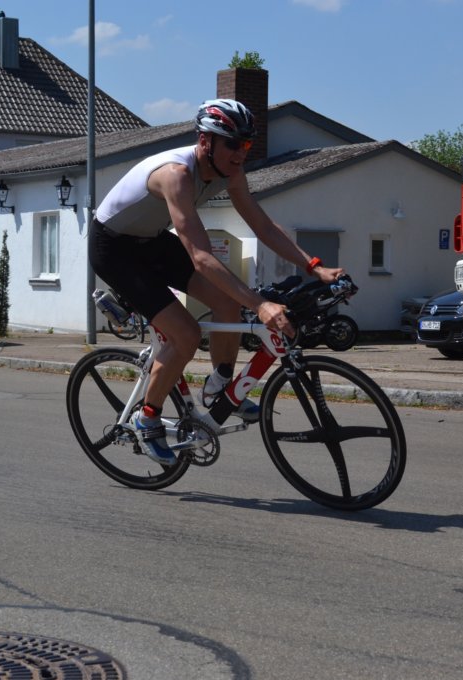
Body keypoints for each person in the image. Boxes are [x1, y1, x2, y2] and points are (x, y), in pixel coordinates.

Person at [90, 99, 344, 465]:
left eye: (246, 145)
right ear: (205, 141)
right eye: (233, 144)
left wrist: (313, 266)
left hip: (152, 240)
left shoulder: (230, 171)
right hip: (114, 248)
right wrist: (261, 304)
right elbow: (202, 257)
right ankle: (147, 418)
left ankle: (218, 388)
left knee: (228, 302)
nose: (241, 153)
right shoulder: (176, 174)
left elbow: (262, 225)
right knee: (186, 334)